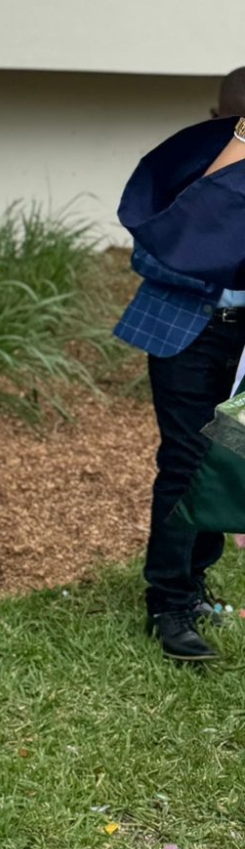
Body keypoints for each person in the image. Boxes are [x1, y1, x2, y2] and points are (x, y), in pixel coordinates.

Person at [115, 70, 245, 662]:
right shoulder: (180, 166)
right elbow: (156, 251)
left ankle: (193, 584)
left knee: (226, 455)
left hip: (242, 342)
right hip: (185, 333)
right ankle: (167, 603)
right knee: (186, 459)